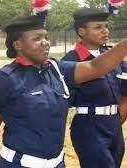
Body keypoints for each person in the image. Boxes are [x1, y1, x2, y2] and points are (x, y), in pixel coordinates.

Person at [0, 14, 127, 168]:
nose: (45, 42)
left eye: (45, 36)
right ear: (18, 45)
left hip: (57, 164)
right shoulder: (6, 79)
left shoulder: (56, 69)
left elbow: (95, 67)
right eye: (37, 38)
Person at [61, 8, 126, 168]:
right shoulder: (71, 61)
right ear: (81, 31)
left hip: (114, 124)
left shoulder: (111, 55)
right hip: (89, 127)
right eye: (98, 27)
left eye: (106, 26)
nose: (105, 31)